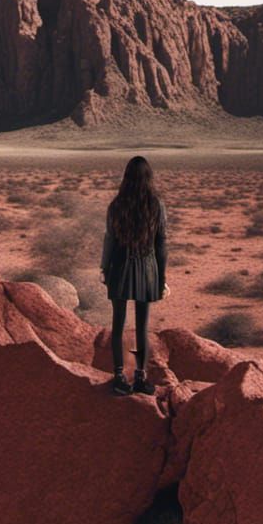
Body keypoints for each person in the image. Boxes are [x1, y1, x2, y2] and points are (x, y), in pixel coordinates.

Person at [100, 155, 170, 396]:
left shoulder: (116, 205)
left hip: (119, 268)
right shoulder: (156, 205)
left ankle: (119, 377)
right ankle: (140, 377)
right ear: (148, 178)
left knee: (118, 325)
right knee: (142, 326)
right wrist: (162, 278)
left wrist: (104, 267)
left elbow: (109, 239)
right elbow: (161, 244)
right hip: (147, 269)